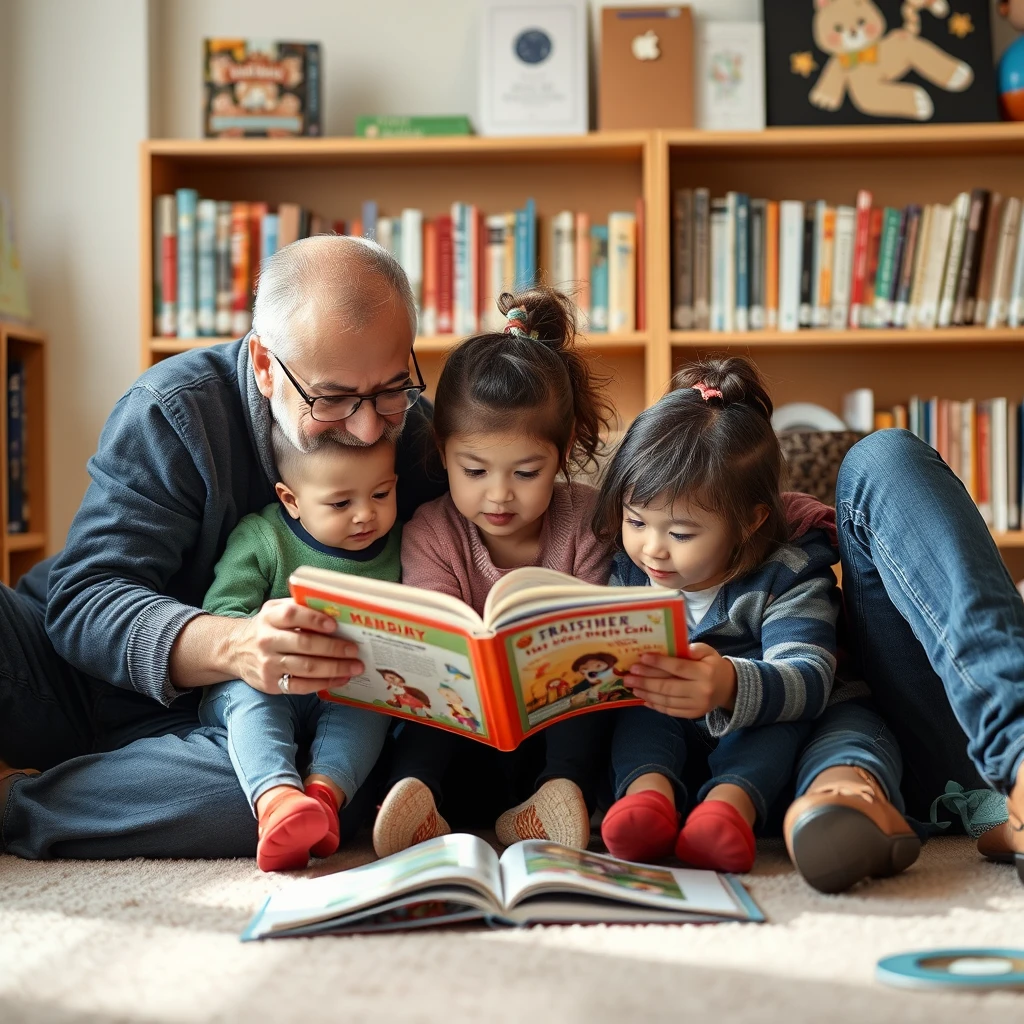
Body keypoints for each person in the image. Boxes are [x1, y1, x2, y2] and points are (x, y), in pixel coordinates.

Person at [0, 235, 447, 858]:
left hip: (225, 730)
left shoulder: (413, 432)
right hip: (62, 677)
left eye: (392, 388)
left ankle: (20, 804)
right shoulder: (174, 411)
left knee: (300, 796)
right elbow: (81, 605)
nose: (370, 425)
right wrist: (235, 644)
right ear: (264, 365)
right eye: (333, 398)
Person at [590, 357, 890, 877]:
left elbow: (810, 677)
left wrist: (728, 684)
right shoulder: (627, 567)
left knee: (778, 717)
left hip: (765, 722)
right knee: (641, 711)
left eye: (681, 534)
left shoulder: (789, 571)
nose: (652, 549)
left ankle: (728, 810)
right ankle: (646, 799)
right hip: (673, 728)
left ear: (751, 521)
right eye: (636, 521)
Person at [369, 288, 616, 858]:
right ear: (442, 450)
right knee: (427, 711)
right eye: (474, 470)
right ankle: (418, 799)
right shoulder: (431, 531)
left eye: (527, 472)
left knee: (586, 701)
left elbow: (602, 634)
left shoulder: (585, 521)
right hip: (466, 742)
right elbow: (430, 644)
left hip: (554, 743)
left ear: (565, 451)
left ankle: (557, 801)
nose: (499, 495)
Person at [198, 434, 402, 871]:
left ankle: (323, 798)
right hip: (261, 682)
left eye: (381, 494)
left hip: (345, 686)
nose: (366, 514)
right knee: (253, 700)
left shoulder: (402, 541)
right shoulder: (263, 537)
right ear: (292, 500)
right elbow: (223, 612)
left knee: (371, 708)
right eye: (340, 504)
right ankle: (277, 801)